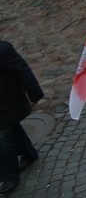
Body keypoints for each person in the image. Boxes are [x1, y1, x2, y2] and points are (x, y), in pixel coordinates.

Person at [0, 39, 42, 195]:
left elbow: (22, 71)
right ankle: (29, 154)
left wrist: (35, 93)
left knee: (3, 137)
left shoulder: (2, 49)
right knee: (11, 129)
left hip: (7, 103)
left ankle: (9, 176)